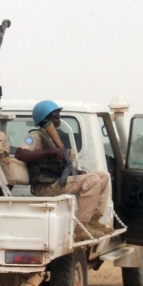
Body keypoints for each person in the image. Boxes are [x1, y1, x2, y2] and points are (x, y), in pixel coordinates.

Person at [15, 100, 111, 240]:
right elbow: (20, 154)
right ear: (46, 118)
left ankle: (93, 222)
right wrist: (50, 152)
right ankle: (81, 228)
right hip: (45, 186)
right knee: (92, 181)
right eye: (55, 115)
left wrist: (76, 172)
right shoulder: (36, 136)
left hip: (57, 181)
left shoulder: (53, 137)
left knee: (103, 176)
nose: (59, 118)